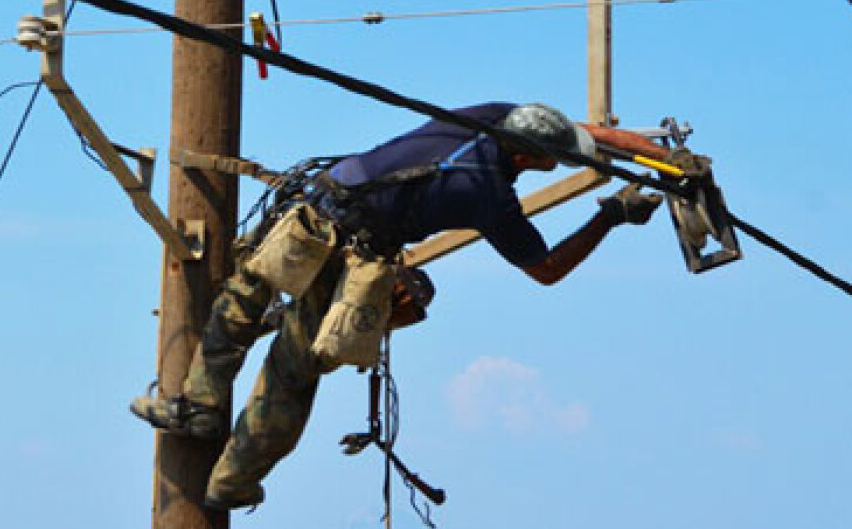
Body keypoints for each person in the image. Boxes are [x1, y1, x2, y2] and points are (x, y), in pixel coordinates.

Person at [131, 101, 674, 510]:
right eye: (550, 160)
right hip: (347, 247)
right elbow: (547, 269)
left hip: (318, 215)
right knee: (291, 369)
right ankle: (230, 475)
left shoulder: (492, 115)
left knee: (241, 305)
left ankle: (205, 411)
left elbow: (592, 135)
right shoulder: (489, 195)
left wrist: (666, 160)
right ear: (525, 155)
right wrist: (611, 216)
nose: (555, 166)